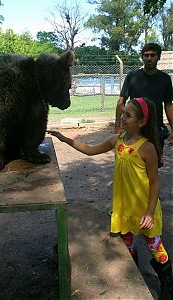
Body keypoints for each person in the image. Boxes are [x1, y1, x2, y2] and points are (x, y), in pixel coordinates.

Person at [48, 97, 173, 300]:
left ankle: (167, 279)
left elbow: (155, 182)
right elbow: (90, 150)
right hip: (124, 209)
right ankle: (135, 277)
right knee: (128, 246)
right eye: (123, 113)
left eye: (128, 115)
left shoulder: (147, 147)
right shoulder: (117, 140)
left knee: (154, 246)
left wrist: (150, 211)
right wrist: (64, 139)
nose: (123, 117)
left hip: (144, 210)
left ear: (141, 122)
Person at [114, 43, 173, 168]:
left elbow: (168, 105)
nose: (149, 58)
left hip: (155, 130)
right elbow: (121, 102)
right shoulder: (132, 76)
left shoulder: (165, 79)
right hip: (134, 129)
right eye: (146, 55)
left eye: (153, 55)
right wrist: (117, 127)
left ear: (159, 57)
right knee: (132, 163)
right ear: (142, 57)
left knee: (153, 166)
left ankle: (151, 187)